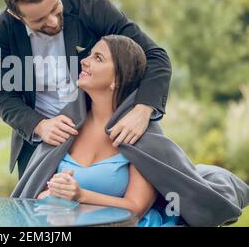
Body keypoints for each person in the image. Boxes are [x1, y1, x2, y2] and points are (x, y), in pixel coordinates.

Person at [0, 0, 171, 178]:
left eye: (55, 8)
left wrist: (143, 109)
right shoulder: (3, 29)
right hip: (40, 143)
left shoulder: (93, 9)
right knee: (34, 209)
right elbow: (3, 95)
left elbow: (155, 56)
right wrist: (39, 125)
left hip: (100, 133)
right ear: (17, 16)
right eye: (39, 20)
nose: (54, 22)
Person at [36, 35, 179, 226]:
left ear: (118, 79)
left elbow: (136, 208)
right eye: (89, 55)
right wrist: (54, 191)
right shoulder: (66, 125)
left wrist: (81, 195)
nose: (84, 62)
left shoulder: (140, 134)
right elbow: (41, 193)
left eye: (98, 58)